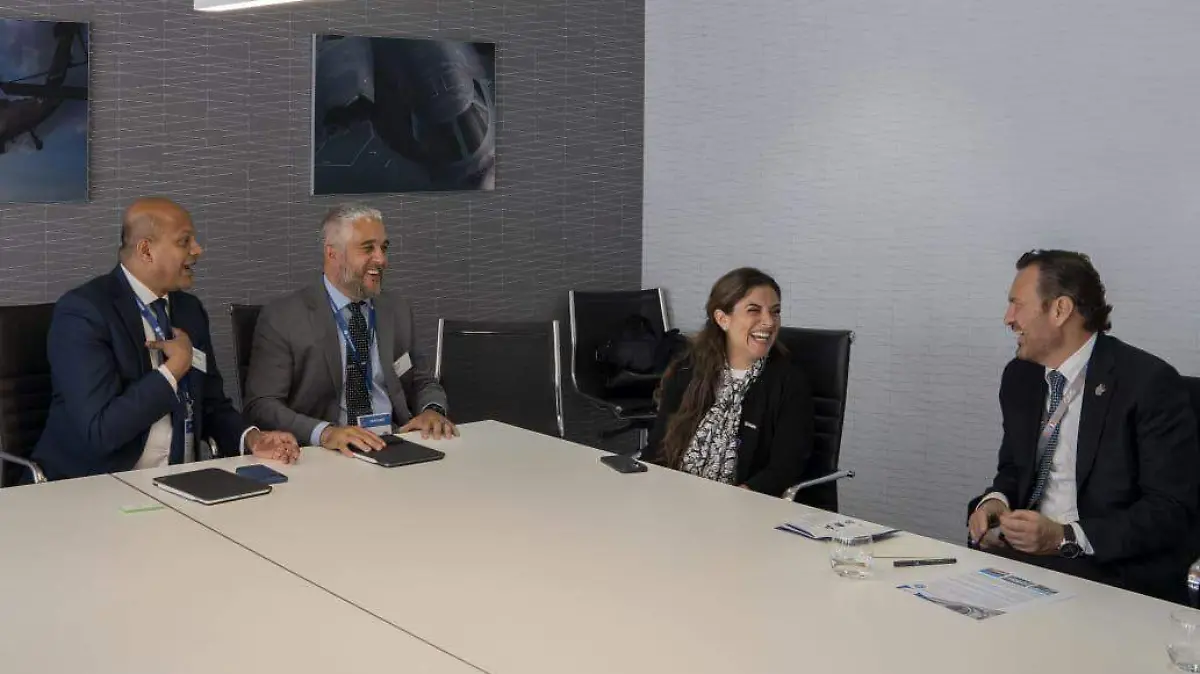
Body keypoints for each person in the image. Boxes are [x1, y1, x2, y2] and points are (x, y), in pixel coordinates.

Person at [968, 249, 1199, 602]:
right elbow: (1014, 468)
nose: (1008, 318)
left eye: (1017, 305)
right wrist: (995, 502)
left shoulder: (1147, 384)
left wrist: (1064, 537)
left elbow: (1168, 510)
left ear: (1060, 310)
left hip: (1110, 572)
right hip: (1024, 563)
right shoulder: (1020, 377)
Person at [30, 198, 300, 480]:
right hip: (99, 484)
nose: (197, 250)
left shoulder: (189, 310)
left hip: (183, 481)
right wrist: (172, 371)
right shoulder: (85, 312)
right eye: (185, 241)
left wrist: (253, 438)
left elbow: (211, 404)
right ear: (146, 250)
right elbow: (100, 431)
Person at [244, 204, 453, 455]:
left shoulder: (396, 309)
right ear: (332, 253)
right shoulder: (284, 316)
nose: (381, 260)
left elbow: (422, 380)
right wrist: (325, 432)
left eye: (384, 248)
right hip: (326, 452)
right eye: (368, 248)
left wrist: (432, 410)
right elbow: (262, 405)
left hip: (394, 441)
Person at [643, 267, 814, 496]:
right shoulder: (688, 369)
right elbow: (658, 447)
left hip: (741, 504)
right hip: (674, 495)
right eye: (754, 310)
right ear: (722, 319)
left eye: (775, 312)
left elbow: (784, 468)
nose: (769, 322)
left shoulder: (789, 383)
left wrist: (734, 500)